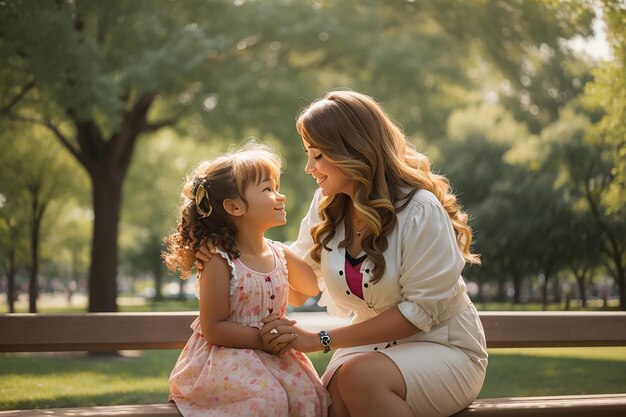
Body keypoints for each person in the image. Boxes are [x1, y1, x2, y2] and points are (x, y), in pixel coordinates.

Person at [198, 90, 488, 417]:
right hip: (369, 349)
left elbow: (418, 314)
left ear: (353, 151)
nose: (309, 167)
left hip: (442, 345)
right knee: (324, 402)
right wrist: (230, 250)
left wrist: (320, 339)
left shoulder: (420, 210)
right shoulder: (327, 205)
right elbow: (296, 287)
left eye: (318, 155)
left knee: (360, 379)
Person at [163, 141, 330, 417]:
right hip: (229, 360)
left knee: (308, 396)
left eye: (276, 187)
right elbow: (214, 327)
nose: (280, 196)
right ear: (235, 207)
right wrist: (266, 339)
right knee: (267, 400)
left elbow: (310, 286)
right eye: (268, 189)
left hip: (275, 355)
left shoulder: (279, 252)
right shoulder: (219, 259)